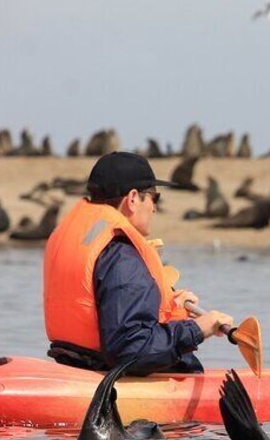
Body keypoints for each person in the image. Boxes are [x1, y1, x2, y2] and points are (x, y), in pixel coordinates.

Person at [43, 151, 233, 375]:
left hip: (79, 365)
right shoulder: (122, 256)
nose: (154, 207)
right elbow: (133, 349)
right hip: (110, 377)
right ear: (133, 199)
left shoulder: (79, 236)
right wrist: (199, 329)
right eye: (154, 197)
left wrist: (174, 310)